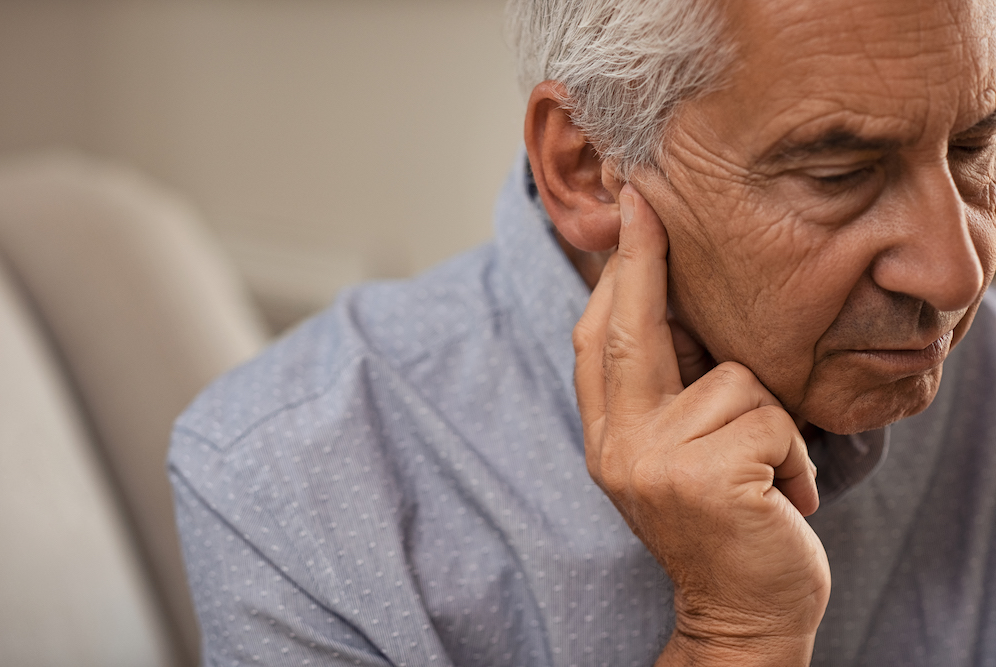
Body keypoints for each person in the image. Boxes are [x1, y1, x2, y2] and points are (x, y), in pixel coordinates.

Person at [169, 0, 996, 664]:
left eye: (974, 147)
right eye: (839, 174)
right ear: (588, 167)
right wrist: (735, 636)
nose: (955, 274)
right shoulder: (286, 485)